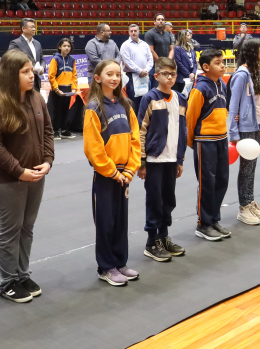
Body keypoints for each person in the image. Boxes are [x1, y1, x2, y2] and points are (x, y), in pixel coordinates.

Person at [0, 50, 54, 303]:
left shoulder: (37, 99)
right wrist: (19, 171)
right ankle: (7, 281)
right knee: (10, 230)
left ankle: (22, 274)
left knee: (27, 228)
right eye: (24, 71)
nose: (31, 74)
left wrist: (48, 162)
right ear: (11, 75)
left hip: (36, 175)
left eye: (31, 69)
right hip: (8, 181)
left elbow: (48, 131)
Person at [82, 59, 141, 286]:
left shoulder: (125, 105)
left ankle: (120, 261)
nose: (115, 78)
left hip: (124, 173)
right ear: (98, 78)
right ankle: (106, 267)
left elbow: (135, 139)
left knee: (120, 221)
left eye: (118, 74)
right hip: (107, 176)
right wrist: (112, 172)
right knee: (105, 222)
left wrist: (130, 169)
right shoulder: (94, 108)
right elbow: (93, 148)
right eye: (110, 74)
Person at [136, 57, 188, 263]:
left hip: (171, 159)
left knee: (168, 199)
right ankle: (151, 241)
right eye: (165, 74)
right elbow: (140, 130)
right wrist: (141, 161)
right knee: (154, 200)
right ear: (156, 75)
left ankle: (164, 237)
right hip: (154, 159)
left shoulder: (180, 99)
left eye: (173, 74)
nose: (170, 77)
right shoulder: (149, 98)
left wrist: (180, 159)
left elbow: (182, 130)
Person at [186, 49, 230, 241]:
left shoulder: (222, 84)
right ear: (205, 67)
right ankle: (203, 224)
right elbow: (190, 118)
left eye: (223, 62)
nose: (223, 66)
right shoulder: (200, 88)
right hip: (205, 142)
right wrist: (193, 143)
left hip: (222, 139)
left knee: (222, 180)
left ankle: (214, 219)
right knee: (207, 183)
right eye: (218, 63)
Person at [227, 38, 260, 225]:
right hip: (245, 128)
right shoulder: (241, 75)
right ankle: (243, 207)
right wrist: (234, 134)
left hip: (257, 125)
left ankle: (250, 201)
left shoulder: (257, 73)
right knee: (246, 168)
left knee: (252, 166)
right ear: (253, 51)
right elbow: (233, 106)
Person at [47, 38, 79, 139]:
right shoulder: (55, 59)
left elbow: (74, 75)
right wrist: (56, 89)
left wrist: (74, 89)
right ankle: (55, 131)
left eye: (68, 46)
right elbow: (51, 76)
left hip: (68, 89)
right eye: (64, 46)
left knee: (66, 110)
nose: (67, 48)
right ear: (59, 47)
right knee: (57, 111)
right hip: (57, 89)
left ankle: (64, 130)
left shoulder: (72, 60)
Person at [120, 24, 154, 112]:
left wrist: (145, 70)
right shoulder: (125, 45)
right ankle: (134, 122)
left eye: (135, 31)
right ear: (129, 32)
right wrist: (140, 71)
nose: (133, 33)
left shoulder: (145, 44)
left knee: (146, 100)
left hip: (145, 75)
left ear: (139, 32)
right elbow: (127, 62)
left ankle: (144, 122)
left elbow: (150, 59)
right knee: (133, 102)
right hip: (132, 77)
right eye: (131, 31)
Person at [172, 29, 198, 94]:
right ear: (183, 37)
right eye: (188, 35)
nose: (190, 36)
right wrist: (188, 74)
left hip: (192, 77)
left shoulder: (191, 47)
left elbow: (195, 61)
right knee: (182, 97)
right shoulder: (177, 48)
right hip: (182, 78)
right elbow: (179, 63)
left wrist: (193, 73)